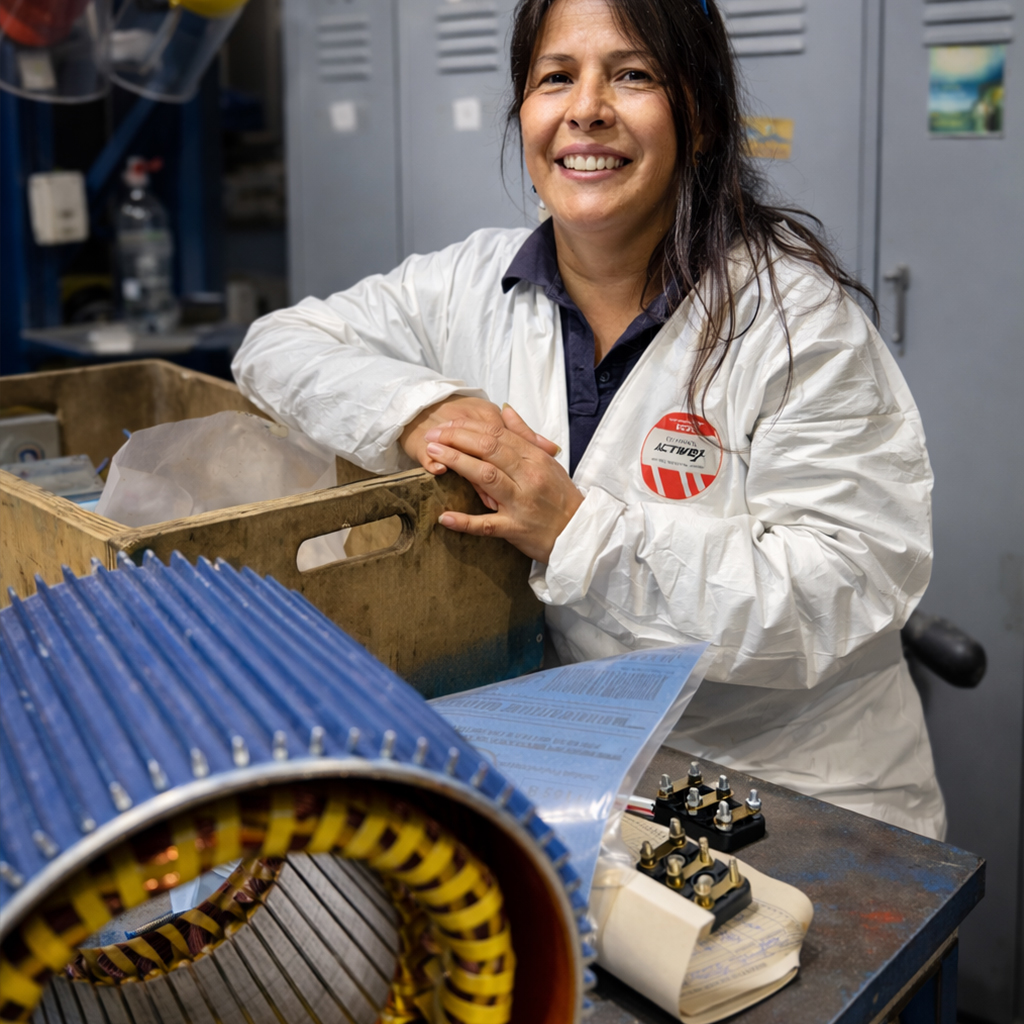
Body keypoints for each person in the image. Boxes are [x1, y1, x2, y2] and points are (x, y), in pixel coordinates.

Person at [233, 0, 947, 838]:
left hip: (800, 800)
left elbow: (845, 587)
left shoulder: (797, 325)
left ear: (703, 117)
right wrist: (421, 405)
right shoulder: (471, 281)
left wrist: (578, 534)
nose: (587, 108)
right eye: (555, 78)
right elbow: (274, 345)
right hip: (585, 774)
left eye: (634, 74)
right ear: (524, 115)